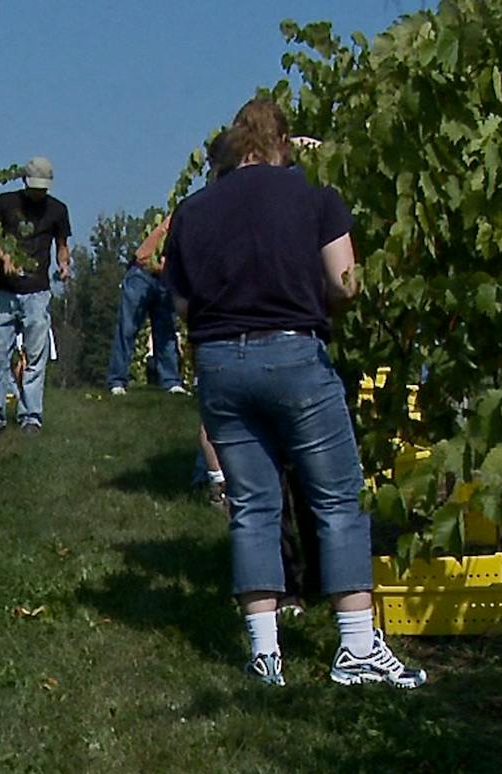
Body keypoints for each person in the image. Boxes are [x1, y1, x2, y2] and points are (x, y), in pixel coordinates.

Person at [163, 99, 425, 689]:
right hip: (293, 352)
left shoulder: (193, 211)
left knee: (254, 505)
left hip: (221, 363)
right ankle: (356, 647)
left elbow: (181, 303)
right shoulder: (313, 196)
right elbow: (345, 281)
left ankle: (264, 653)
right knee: (336, 498)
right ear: (282, 143)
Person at [0, 157, 71, 432]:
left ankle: (31, 416)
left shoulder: (57, 210)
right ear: (24, 182)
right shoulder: (4, 204)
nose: (38, 193)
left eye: (42, 189)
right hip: (6, 292)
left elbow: (62, 244)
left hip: (38, 293)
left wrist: (64, 264)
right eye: (34, 188)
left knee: (35, 358)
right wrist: (3, 256)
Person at [109, 214, 186, 395]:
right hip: (142, 273)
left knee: (166, 330)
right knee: (127, 328)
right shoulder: (181, 218)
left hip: (165, 278)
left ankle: (171, 381)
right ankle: (117, 380)